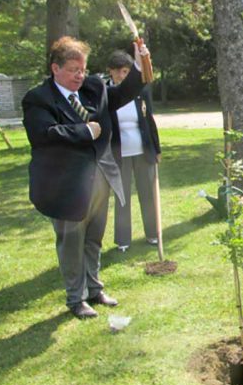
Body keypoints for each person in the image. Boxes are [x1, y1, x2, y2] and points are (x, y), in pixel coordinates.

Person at [22, 36, 150, 318]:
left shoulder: (92, 87)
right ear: (55, 68)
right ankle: (75, 299)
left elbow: (120, 95)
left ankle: (94, 288)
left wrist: (141, 65)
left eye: (83, 69)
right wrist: (86, 131)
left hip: (100, 178)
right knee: (71, 243)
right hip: (65, 186)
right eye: (73, 70)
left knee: (94, 239)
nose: (80, 75)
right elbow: (44, 135)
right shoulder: (38, 98)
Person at [107, 50, 162, 252]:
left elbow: (150, 121)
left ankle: (153, 234)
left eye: (126, 71)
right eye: (118, 72)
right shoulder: (105, 94)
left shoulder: (142, 91)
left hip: (143, 152)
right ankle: (123, 240)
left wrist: (157, 149)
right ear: (110, 72)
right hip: (118, 155)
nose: (122, 76)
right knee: (122, 198)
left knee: (148, 194)